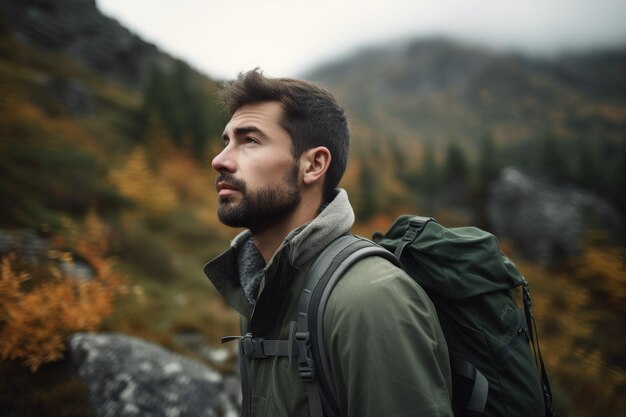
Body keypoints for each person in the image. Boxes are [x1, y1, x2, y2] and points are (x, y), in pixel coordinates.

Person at [203, 69, 453, 417]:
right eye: (225, 141)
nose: (220, 160)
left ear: (313, 165)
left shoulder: (369, 300)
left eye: (250, 141)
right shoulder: (262, 290)